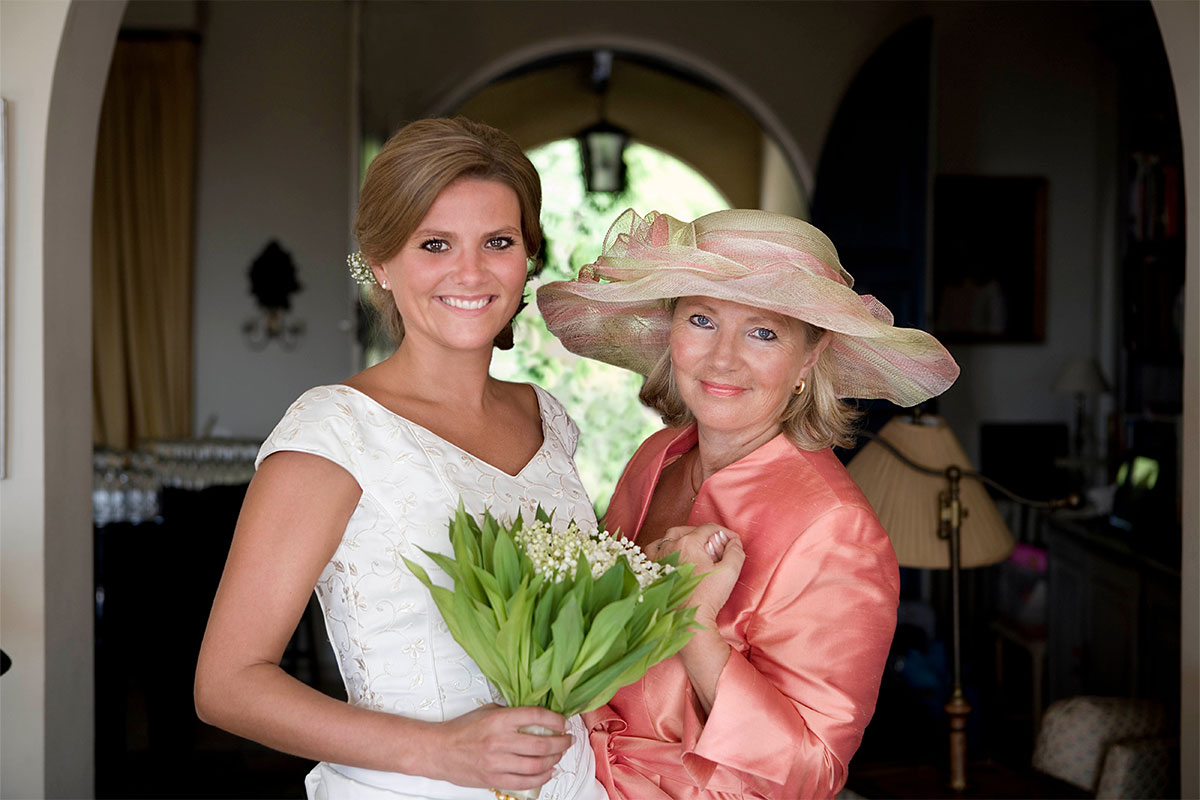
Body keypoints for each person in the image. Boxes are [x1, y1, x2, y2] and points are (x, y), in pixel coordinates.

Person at [195, 118, 605, 800]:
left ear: (528, 257)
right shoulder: (335, 432)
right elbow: (226, 684)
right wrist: (442, 751)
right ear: (381, 261)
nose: (470, 272)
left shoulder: (548, 418)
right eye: (434, 243)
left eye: (498, 242)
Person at [537, 208, 960, 799]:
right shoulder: (657, 456)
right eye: (702, 319)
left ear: (810, 356)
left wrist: (693, 625)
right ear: (671, 327)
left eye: (763, 332)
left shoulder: (836, 527)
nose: (723, 359)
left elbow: (812, 773)